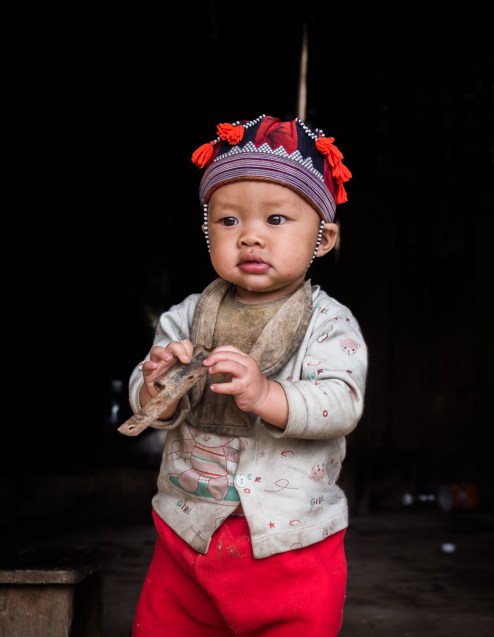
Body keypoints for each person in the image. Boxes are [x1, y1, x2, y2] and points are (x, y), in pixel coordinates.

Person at [125, 113, 368, 637]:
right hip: (186, 532)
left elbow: (342, 401)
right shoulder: (185, 316)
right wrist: (155, 383)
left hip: (292, 542)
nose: (250, 238)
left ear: (323, 239)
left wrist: (267, 393)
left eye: (276, 220)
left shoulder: (328, 323)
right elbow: (152, 403)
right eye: (229, 221)